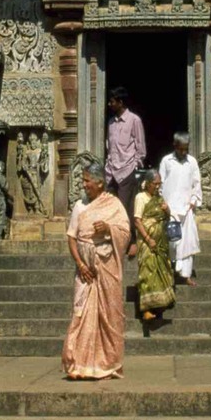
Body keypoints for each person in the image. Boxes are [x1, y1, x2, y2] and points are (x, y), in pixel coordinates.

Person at [62, 161, 132, 380]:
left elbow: (125, 232)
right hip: (85, 271)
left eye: (87, 181)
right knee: (80, 313)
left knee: (108, 314)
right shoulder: (79, 206)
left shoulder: (113, 204)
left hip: (106, 266)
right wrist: (81, 264)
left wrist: (108, 227)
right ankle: (79, 364)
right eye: (83, 180)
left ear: (100, 183)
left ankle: (107, 364)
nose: (84, 185)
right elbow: (71, 238)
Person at [105, 87, 146, 256]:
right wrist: (108, 165)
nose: (109, 104)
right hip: (111, 172)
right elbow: (110, 146)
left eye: (112, 101)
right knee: (111, 207)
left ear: (120, 102)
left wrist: (134, 165)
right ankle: (115, 240)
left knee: (127, 208)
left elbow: (141, 148)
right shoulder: (111, 123)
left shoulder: (134, 120)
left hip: (127, 170)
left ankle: (132, 241)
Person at [159, 133, 202, 286]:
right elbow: (160, 184)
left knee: (188, 242)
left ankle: (186, 275)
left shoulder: (192, 162)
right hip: (170, 209)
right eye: (181, 149)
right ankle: (170, 273)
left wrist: (193, 201)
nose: (183, 152)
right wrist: (162, 203)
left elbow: (197, 184)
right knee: (172, 242)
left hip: (187, 208)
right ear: (175, 146)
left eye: (186, 149)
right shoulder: (166, 161)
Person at [133, 169, 176, 322]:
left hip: (160, 242)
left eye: (159, 184)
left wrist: (167, 210)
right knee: (148, 271)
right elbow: (137, 221)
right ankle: (146, 309)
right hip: (147, 242)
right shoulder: (140, 197)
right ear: (147, 183)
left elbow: (167, 217)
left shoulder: (159, 198)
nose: (157, 187)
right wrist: (148, 238)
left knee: (161, 271)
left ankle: (159, 304)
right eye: (155, 184)